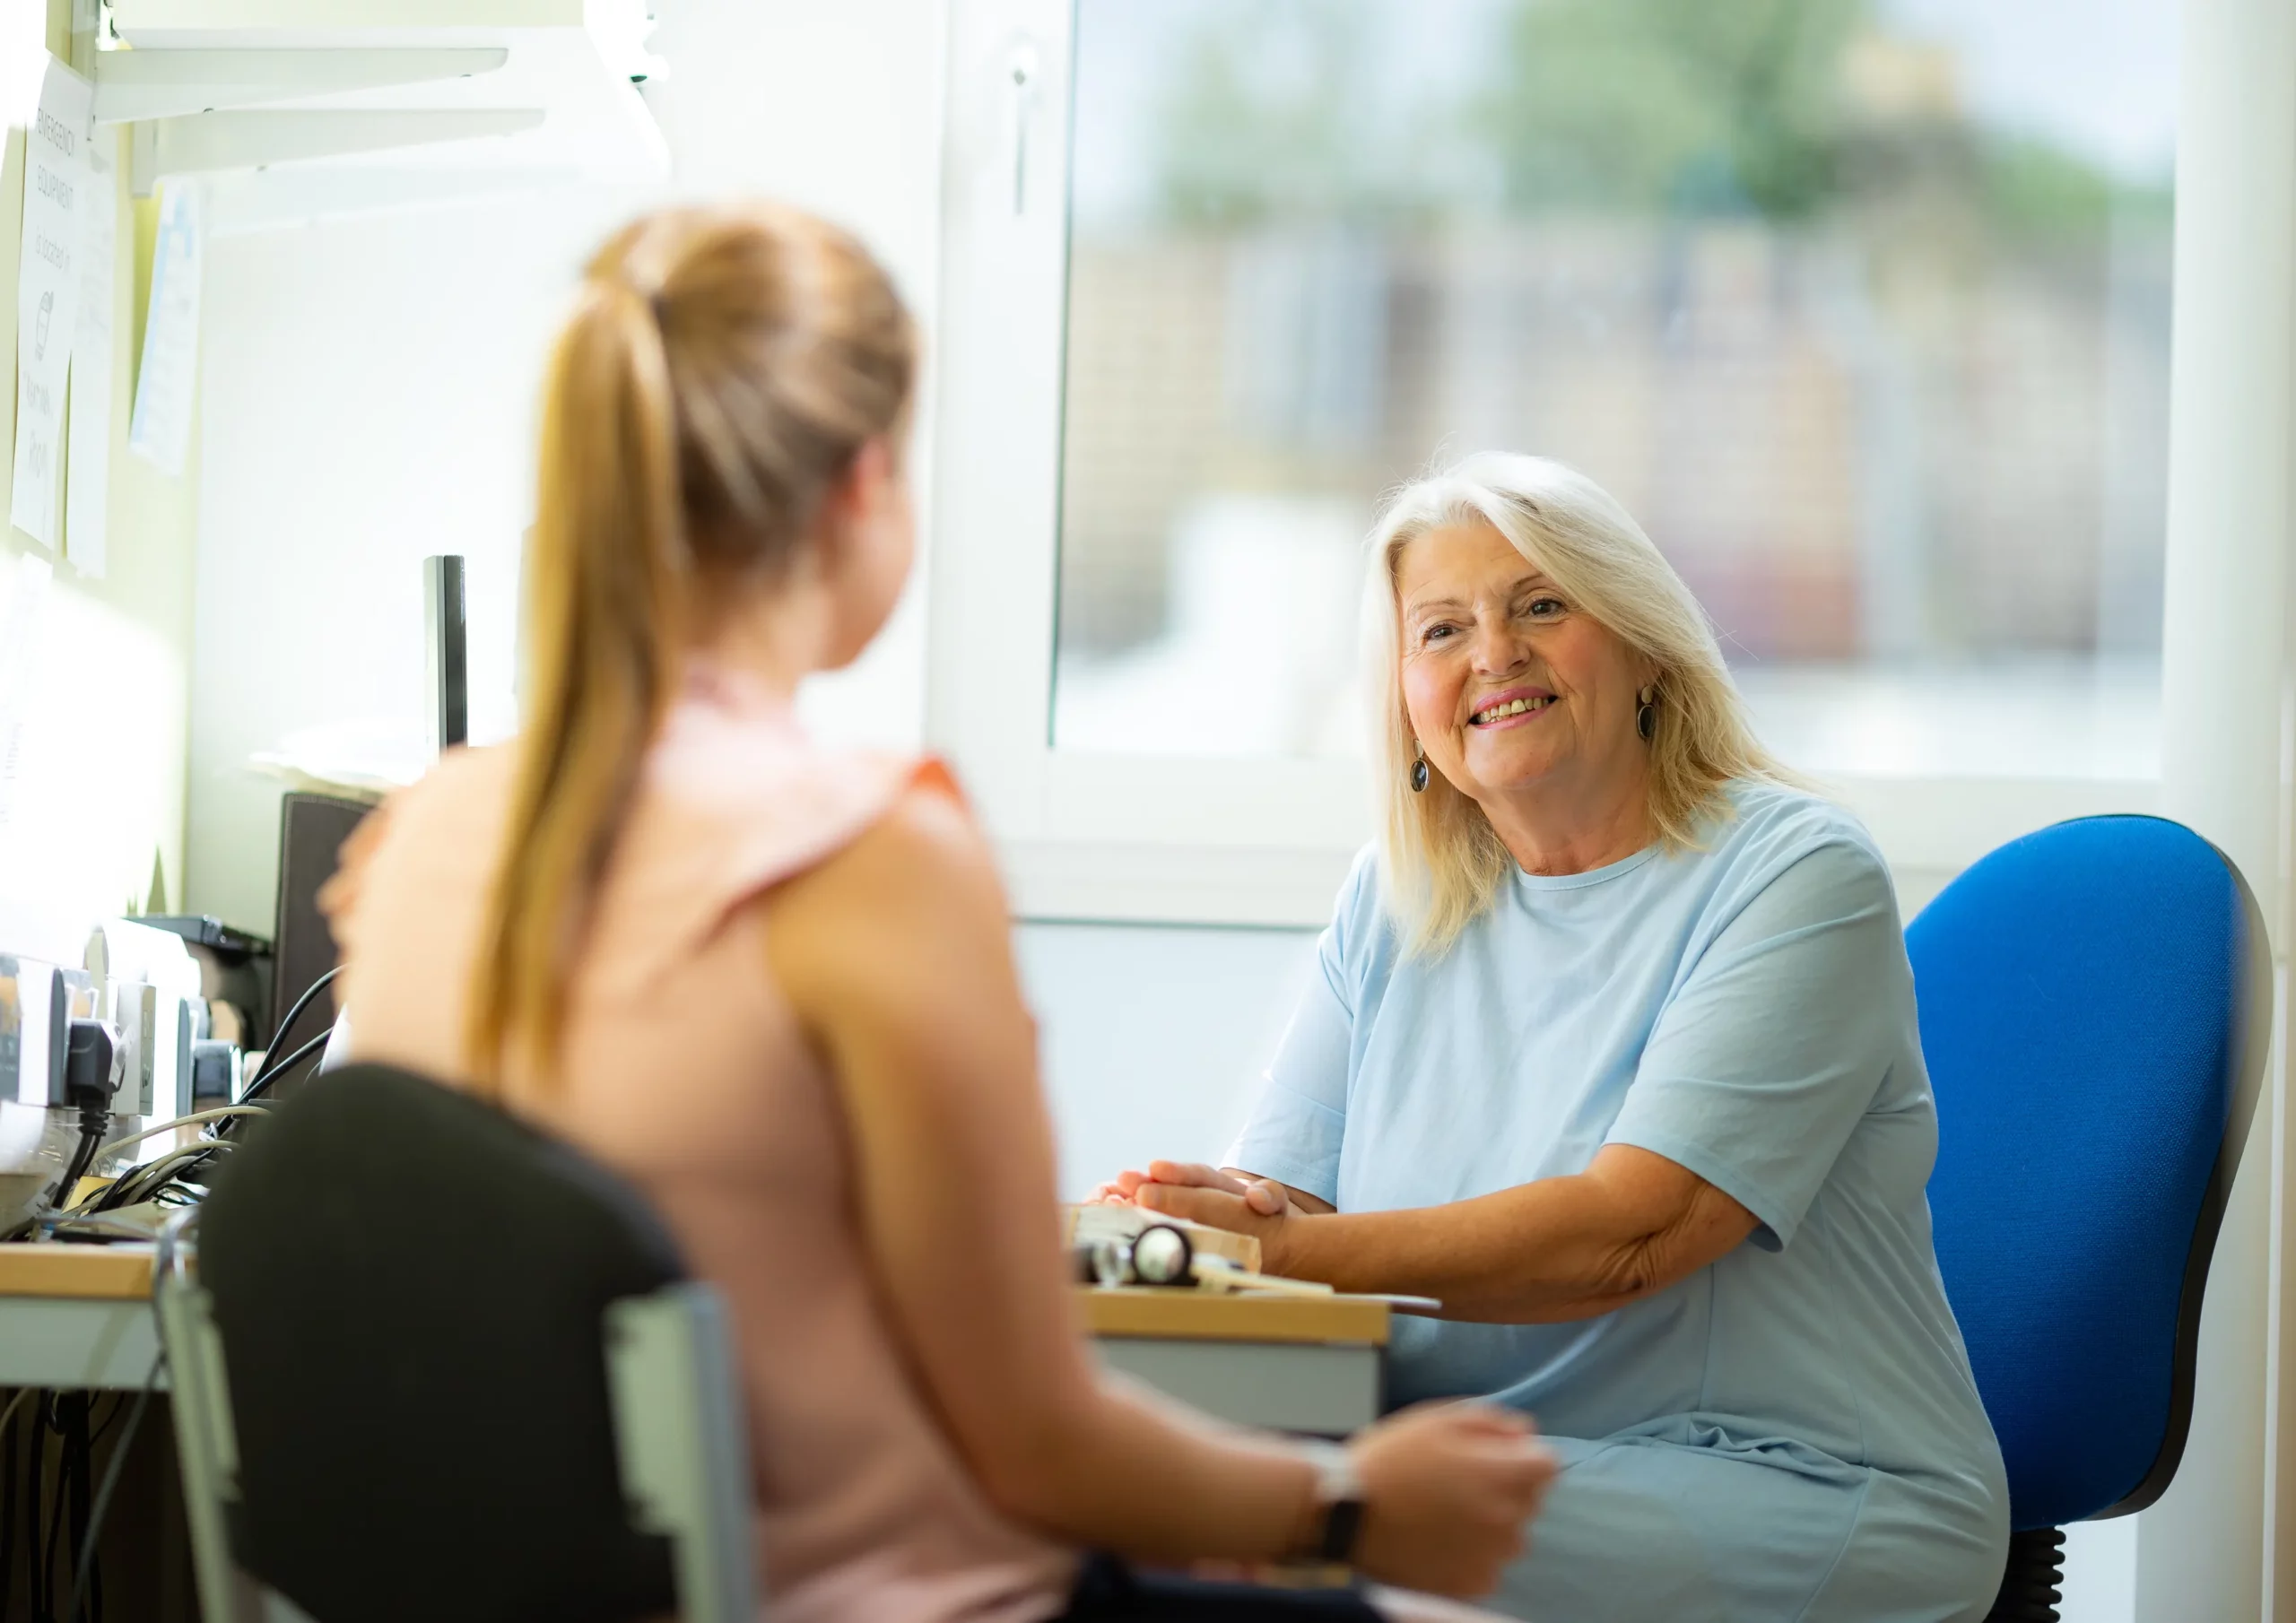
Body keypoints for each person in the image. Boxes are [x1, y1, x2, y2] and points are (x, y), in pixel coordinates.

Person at [319, 203, 1553, 1623]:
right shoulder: (868, 856)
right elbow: (1038, 1440)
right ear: (863, 487)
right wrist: (1350, 1507)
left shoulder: (420, 839)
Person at [1095, 453, 2011, 1622]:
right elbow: (1292, 1215)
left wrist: (1266, 1250)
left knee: (1276, 1540)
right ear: (1406, 703)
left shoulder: (1795, 874)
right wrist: (1198, 1221)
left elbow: (1639, 1232)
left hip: (1792, 1477)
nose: (1494, 655)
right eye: (1441, 629)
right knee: (1132, 1495)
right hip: (1482, 1446)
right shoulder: (1396, 897)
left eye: (1540, 605)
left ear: (1641, 649)